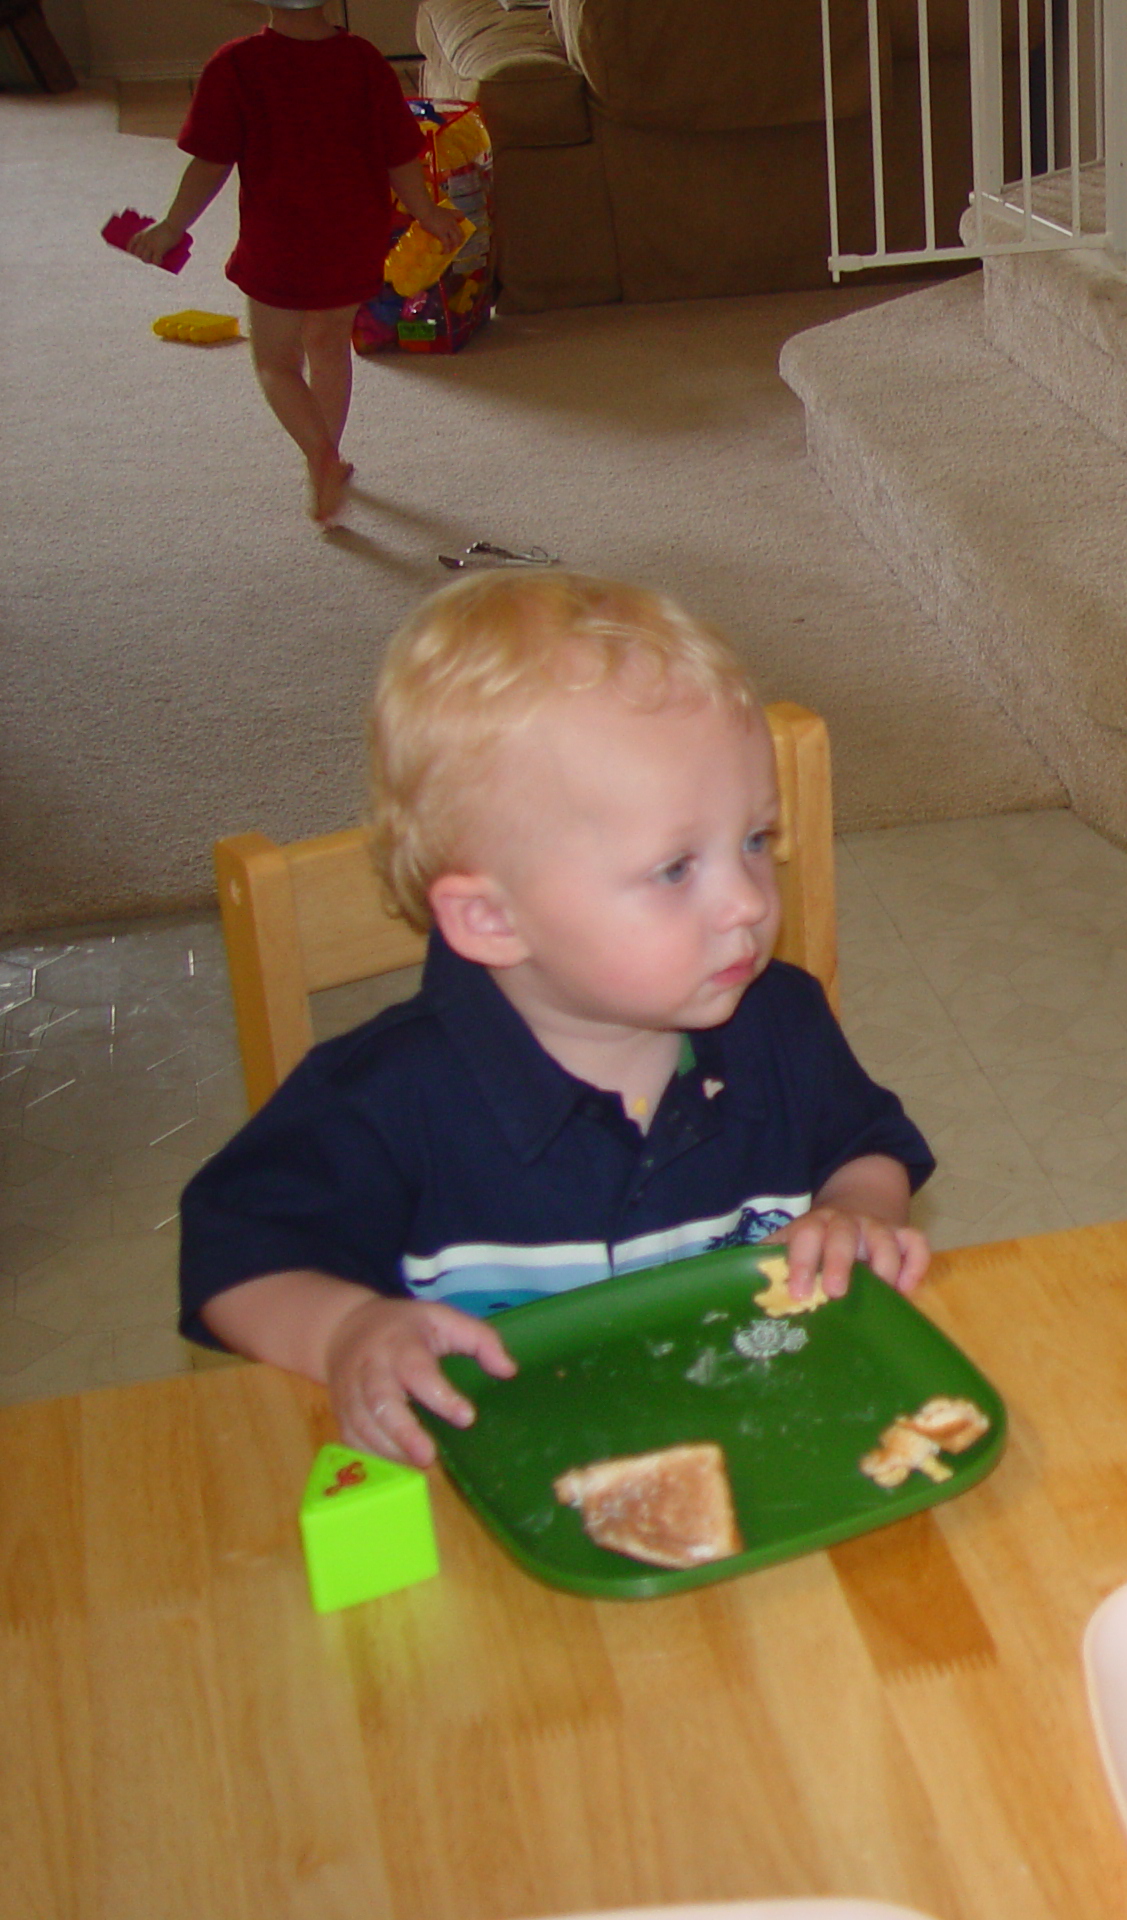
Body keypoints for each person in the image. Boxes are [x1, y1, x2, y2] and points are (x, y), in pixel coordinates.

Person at [181, 573, 934, 1470]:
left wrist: (857, 1210)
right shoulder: (380, 1099)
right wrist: (347, 1331)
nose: (747, 902)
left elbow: (867, 1143)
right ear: (493, 920)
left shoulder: (782, 1021)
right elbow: (235, 1259)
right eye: (673, 869)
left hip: (758, 1442)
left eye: (754, 840)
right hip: (496, 1481)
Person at [123, 1, 464, 527]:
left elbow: (210, 160)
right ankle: (324, 460)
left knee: (275, 363)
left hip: (281, 239)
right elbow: (399, 153)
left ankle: (320, 458)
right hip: (353, 235)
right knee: (329, 346)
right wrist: (424, 212)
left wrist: (173, 226)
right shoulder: (365, 61)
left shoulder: (236, 65)